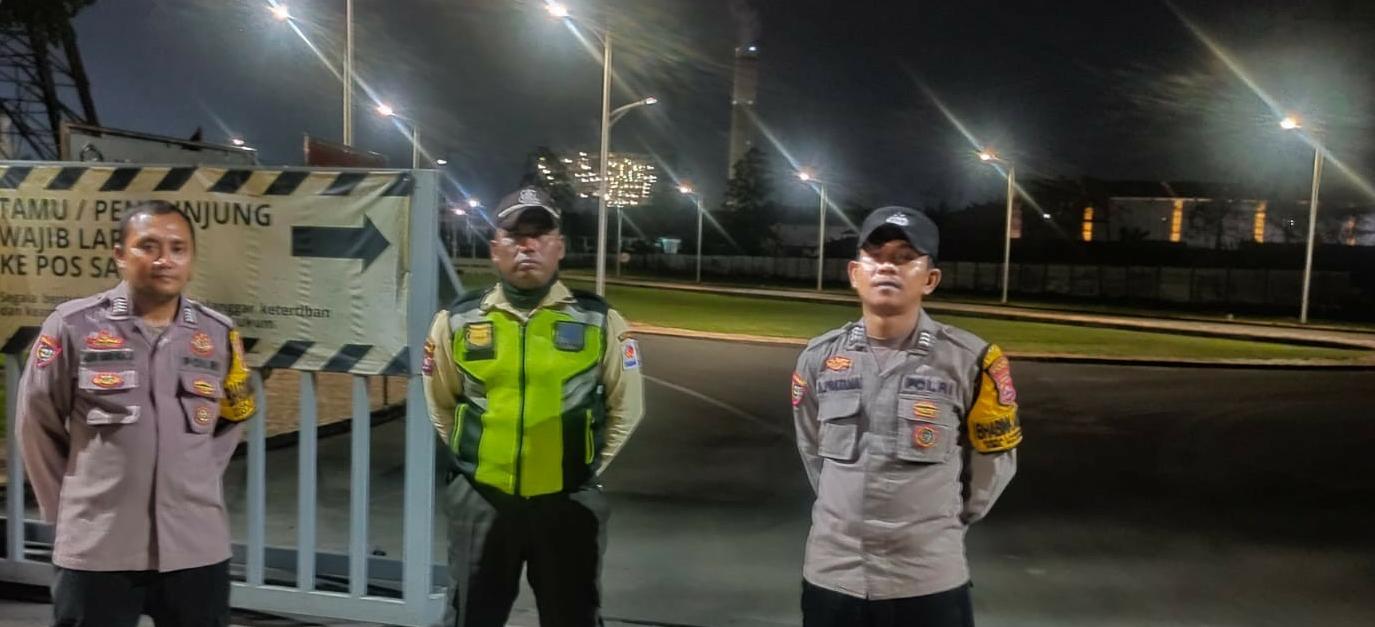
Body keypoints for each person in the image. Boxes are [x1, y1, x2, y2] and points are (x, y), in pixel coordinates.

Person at [17, 200, 255, 627]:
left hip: (196, 548)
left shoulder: (218, 334)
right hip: (98, 546)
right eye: (148, 246)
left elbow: (230, 418)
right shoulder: (74, 326)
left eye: (178, 249)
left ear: (191, 260)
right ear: (120, 255)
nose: (165, 260)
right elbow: (36, 423)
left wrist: (192, 478)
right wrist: (69, 513)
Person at [423, 186, 645, 627]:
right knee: (471, 617)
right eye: (514, 235)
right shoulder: (459, 320)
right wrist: (477, 465)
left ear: (559, 247)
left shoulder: (598, 320)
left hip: (568, 504)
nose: (527, 245)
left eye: (540, 234)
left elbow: (628, 406)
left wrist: (582, 468)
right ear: (495, 249)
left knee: (573, 617)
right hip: (482, 501)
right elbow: (440, 402)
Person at [791, 206, 1022, 627]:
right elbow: (812, 451)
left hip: (927, 583)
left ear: (930, 279)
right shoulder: (818, 359)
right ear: (854, 273)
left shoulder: (972, 361)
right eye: (875, 256)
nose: (887, 267)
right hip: (832, 578)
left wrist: (939, 524)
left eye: (904, 257)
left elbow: (993, 468)